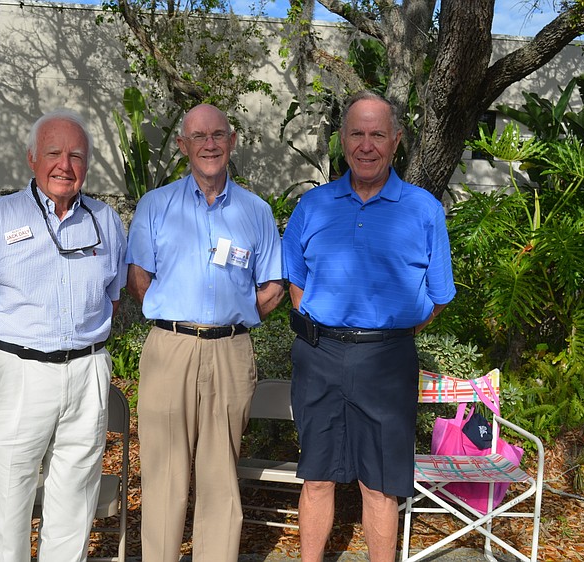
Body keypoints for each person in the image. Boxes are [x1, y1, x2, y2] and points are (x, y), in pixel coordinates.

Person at [0, 108, 128, 562]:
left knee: (75, 501)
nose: (65, 165)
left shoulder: (106, 221)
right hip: (15, 373)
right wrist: (6, 344)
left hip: (87, 372)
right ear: (31, 158)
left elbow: (113, 296)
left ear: (87, 165)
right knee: (7, 504)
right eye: (53, 153)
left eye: (76, 155)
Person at [281, 91, 456, 562]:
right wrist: (322, 322)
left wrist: (388, 332)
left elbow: (439, 296)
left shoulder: (423, 210)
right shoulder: (313, 206)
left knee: (379, 484)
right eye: (356, 133)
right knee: (316, 476)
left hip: (387, 361)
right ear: (342, 140)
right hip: (319, 357)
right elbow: (295, 277)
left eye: (377, 134)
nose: (366, 144)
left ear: (396, 141)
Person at [126, 103, 284, 562]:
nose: (209, 144)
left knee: (220, 477)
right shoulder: (156, 206)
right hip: (169, 349)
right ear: (183, 146)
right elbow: (139, 278)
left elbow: (273, 285)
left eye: (218, 135)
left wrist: (234, 314)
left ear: (232, 142)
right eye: (199, 136)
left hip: (231, 353)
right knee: (164, 475)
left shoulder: (256, 211)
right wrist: (183, 318)